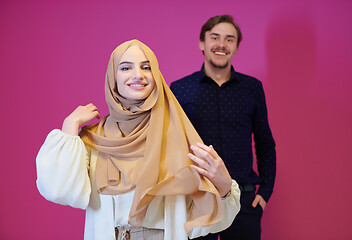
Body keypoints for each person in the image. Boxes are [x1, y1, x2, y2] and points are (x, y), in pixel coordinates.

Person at [36, 40, 241, 240]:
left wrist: (223, 189)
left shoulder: (177, 134)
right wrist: (70, 124)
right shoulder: (94, 138)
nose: (138, 75)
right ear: (112, 77)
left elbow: (204, 223)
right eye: (125, 68)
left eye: (146, 67)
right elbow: (58, 190)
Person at [170, 15, 276, 240]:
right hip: (197, 200)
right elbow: (170, 145)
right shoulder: (180, 89)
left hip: (243, 203)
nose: (221, 44)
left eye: (229, 39)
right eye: (214, 37)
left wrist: (265, 192)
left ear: (236, 47)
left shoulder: (252, 88)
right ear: (202, 43)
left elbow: (265, 143)